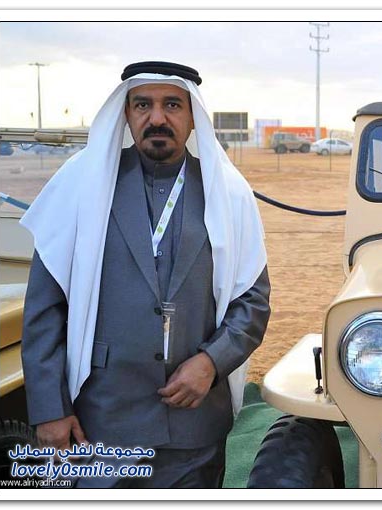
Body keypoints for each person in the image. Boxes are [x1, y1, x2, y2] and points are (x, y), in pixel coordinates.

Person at [19, 61, 271, 488]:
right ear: (126, 113)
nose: (157, 118)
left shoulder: (228, 192)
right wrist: (50, 410)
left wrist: (212, 362)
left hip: (194, 428)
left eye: (172, 104)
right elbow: (45, 308)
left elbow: (253, 301)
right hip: (101, 424)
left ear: (193, 116)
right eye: (143, 105)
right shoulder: (81, 184)